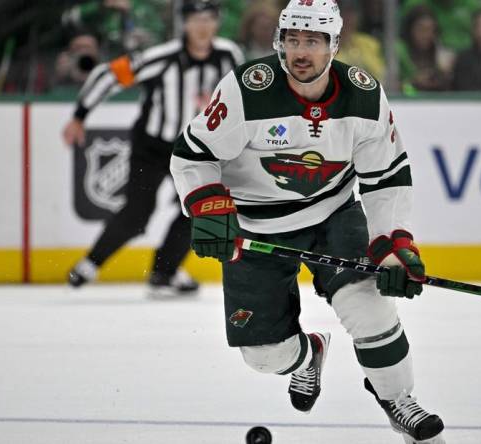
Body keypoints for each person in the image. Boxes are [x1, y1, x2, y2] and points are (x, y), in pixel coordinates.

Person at [169, 1, 446, 442]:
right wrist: (205, 205)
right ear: (280, 42)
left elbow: (387, 177)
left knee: (368, 305)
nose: (302, 51)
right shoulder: (248, 90)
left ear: (334, 46)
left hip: (331, 215)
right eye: (293, 40)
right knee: (263, 357)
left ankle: (397, 398)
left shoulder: (364, 96)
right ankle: (307, 356)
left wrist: (392, 244)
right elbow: (192, 156)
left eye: (313, 41)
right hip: (255, 231)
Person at [64, 0, 245, 297]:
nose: (202, 26)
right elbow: (108, 75)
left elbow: (245, 94)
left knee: (199, 210)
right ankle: (90, 263)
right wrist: (79, 116)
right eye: (195, 19)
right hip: (152, 146)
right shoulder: (162, 58)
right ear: (183, 23)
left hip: (196, 150)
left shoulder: (228, 55)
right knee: (137, 214)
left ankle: (165, 272)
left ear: (217, 22)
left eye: (208, 19)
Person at [397, 5, 455, 93]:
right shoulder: (398, 51)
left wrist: (446, 74)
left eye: (430, 30)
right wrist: (414, 82)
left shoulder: (441, 53)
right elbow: (388, 86)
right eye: (421, 29)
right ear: (410, 29)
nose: (426, 35)